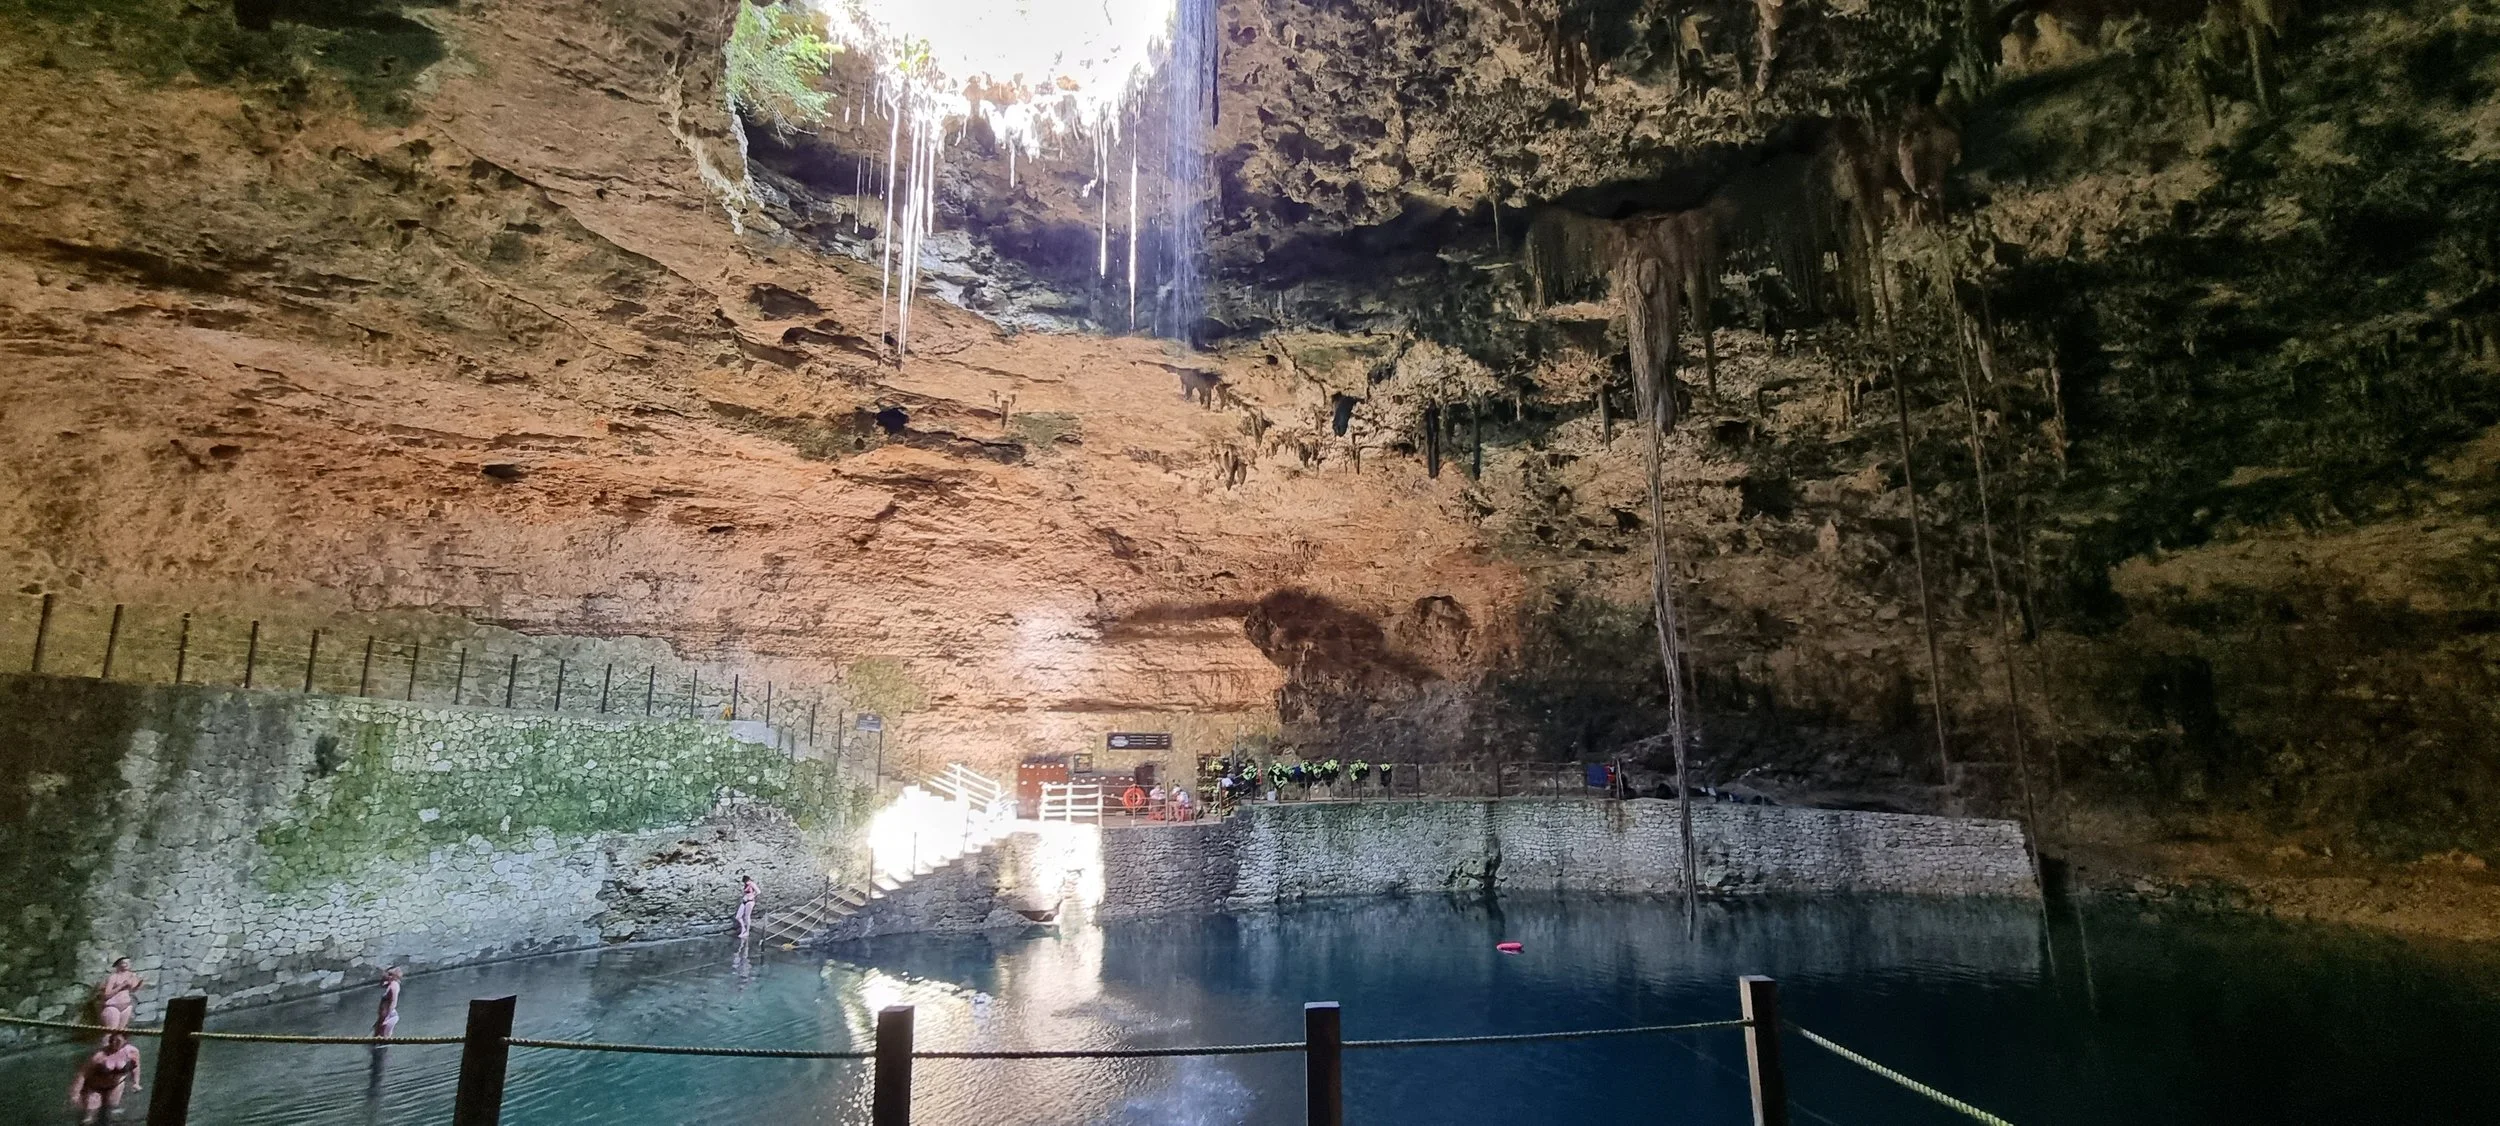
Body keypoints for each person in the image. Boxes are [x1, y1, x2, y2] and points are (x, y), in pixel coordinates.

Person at [69, 1032, 141, 1124]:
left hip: (115, 1086)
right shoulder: (99, 1056)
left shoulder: (132, 1052)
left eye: (118, 1041)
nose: (115, 1043)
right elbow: (82, 1074)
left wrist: (136, 1082)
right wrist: (75, 1093)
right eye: (113, 1040)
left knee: (109, 1114)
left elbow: (136, 1067)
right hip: (94, 1087)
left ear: (125, 1041)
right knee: (89, 1118)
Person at [94, 958, 142, 1031]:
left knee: (121, 1032)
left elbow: (133, 990)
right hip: (113, 1006)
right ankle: (107, 1042)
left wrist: (139, 984)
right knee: (111, 1031)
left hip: (126, 1006)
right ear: (118, 965)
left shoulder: (132, 976)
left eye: (128, 962)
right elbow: (107, 994)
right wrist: (122, 985)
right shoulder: (113, 977)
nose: (126, 964)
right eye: (124, 963)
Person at [372, 966, 403, 1038]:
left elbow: (393, 1001)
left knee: (383, 1029)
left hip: (387, 1012)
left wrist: (388, 1015)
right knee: (380, 1027)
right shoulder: (390, 983)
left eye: (387, 974)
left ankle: (381, 1040)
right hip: (384, 1010)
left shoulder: (394, 986)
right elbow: (382, 984)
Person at [735, 875, 758, 939]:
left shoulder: (752, 884)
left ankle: (747, 931)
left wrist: (752, 896)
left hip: (750, 902)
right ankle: (743, 928)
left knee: (747, 916)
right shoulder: (746, 885)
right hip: (744, 901)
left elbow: (758, 891)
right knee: (738, 916)